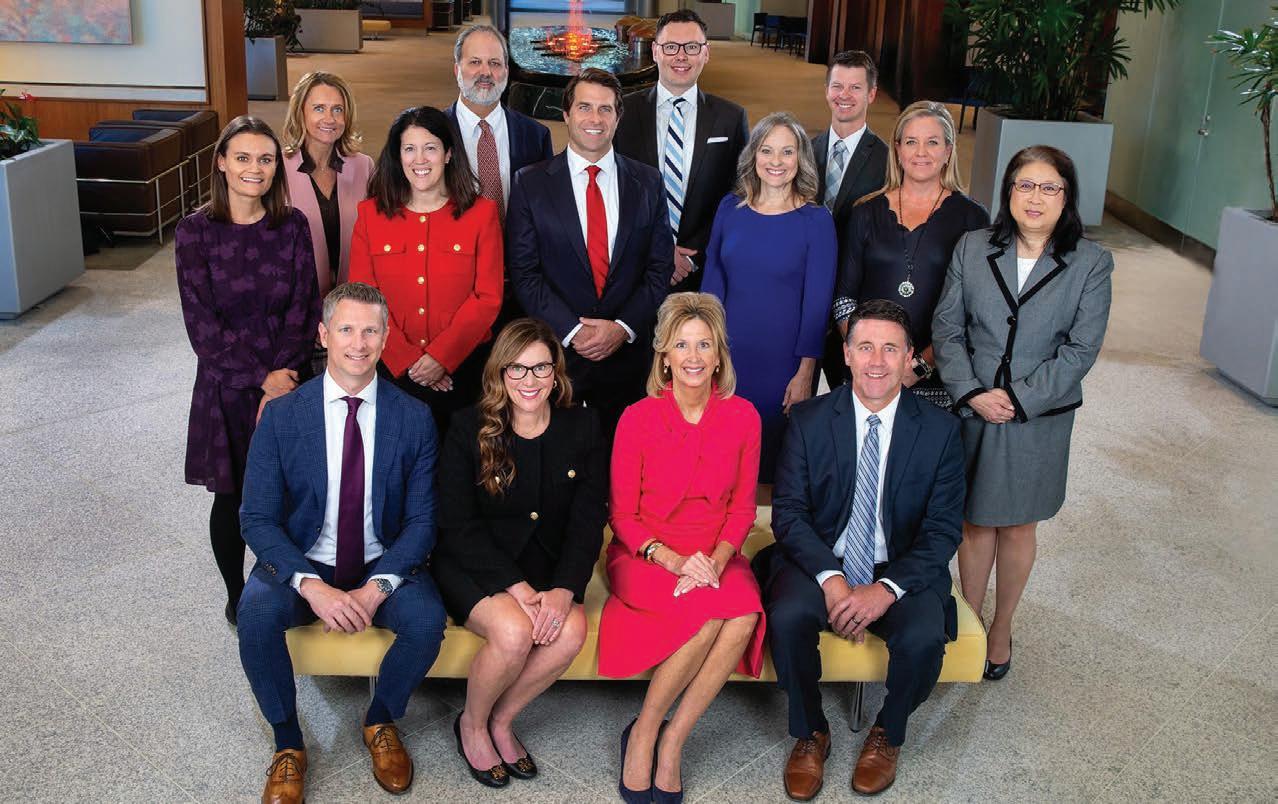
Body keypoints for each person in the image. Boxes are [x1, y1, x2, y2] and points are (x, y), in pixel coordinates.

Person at [237, 282, 447, 804]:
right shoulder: (282, 416)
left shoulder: (414, 417)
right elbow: (257, 518)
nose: (359, 343)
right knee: (255, 615)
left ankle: (380, 719)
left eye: (371, 330)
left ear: (386, 337)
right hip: (305, 558)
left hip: (380, 558)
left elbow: (423, 521)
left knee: (426, 622)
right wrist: (312, 586)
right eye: (346, 329)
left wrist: (377, 589)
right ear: (324, 335)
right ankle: (288, 743)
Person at [757, 298, 965, 798]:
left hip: (899, 564)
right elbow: (789, 514)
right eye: (865, 347)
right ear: (846, 354)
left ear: (910, 357)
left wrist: (886, 588)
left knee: (923, 636)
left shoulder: (941, 430)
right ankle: (810, 731)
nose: (877, 361)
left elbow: (942, 531)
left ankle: (888, 732)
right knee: (788, 616)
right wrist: (832, 580)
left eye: (890, 349)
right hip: (822, 558)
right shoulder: (808, 419)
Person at [932, 145, 1113, 681]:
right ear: (1008, 191)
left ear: (1067, 197)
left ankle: (1002, 626)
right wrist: (971, 391)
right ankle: (969, 621)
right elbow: (947, 327)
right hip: (973, 407)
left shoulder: (1091, 263)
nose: (1035, 198)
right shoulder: (973, 247)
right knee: (973, 521)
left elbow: (1080, 350)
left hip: (1039, 415)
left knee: (1016, 525)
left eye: (1049, 187)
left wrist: (1019, 398)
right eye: (1025, 185)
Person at [602, 292, 765, 804]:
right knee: (707, 616)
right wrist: (674, 561)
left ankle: (672, 739)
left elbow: (742, 510)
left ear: (719, 357)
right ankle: (644, 731)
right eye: (681, 345)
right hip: (646, 553)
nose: (693, 357)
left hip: (716, 552)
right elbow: (622, 516)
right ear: (665, 357)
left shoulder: (744, 417)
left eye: (704, 345)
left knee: (742, 614)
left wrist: (714, 563)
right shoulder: (636, 418)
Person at [433, 318, 607, 788]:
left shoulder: (583, 426)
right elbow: (457, 524)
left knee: (571, 631)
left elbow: (588, 521)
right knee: (513, 634)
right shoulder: (467, 427)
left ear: (556, 372)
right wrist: (516, 587)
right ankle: (471, 724)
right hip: (476, 563)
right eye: (517, 369)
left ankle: (502, 720)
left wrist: (565, 588)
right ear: (500, 373)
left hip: (547, 565)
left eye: (540, 368)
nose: (529, 381)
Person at [175, 115, 320, 627]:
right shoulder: (194, 232)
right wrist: (262, 378)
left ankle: (293, 586)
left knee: (295, 493)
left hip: (290, 380)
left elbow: (305, 306)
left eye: (265, 158)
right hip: (228, 384)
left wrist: (282, 378)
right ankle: (238, 596)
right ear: (221, 162)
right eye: (242, 157)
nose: (254, 168)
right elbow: (202, 326)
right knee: (233, 496)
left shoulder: (293, 225)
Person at [507, 68, 675, 435]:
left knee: (626, 456)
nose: (594, 119)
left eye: (605, 109)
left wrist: (622, 327)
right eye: (584, 107)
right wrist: (573, 331)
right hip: (557, 356)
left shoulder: (648, 182)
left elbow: (659, 268)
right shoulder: (530, 183)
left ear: (618, 117)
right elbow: (525, 273)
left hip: (628, 359)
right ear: (566, 114)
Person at [348, 105, 503, 434]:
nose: (419, 159)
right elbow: (363, 299)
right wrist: (408, 361)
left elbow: (487, 297)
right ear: (397, 156)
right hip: (392, 371)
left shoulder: (481, 213)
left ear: (448, 154)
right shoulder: (371, 215)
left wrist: (442, 357)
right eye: (409, 149)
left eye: (430, 148)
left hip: (464, 371)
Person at [701, 112, 836, 483]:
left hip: (783, 364)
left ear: (800, 159)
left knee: (775, 466)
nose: (776, 161)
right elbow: (711, 287)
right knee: (722, 461)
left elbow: (817, 304)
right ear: (753, 155)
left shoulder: (816, 221)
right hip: (728, 356)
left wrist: (805, 373)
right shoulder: (729, 208)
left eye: (787, 152)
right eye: (767, 150)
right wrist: (706, 355)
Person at [832, 101, 990, 397]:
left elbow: (973, 308)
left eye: (932, 142)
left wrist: (919, 367)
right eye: (911, 142)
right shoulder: (865, 211)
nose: (921, 152)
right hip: (868, 373)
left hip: (935, 376)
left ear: (948, 150)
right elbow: (844, 299)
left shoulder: (973, 218)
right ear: (897, 149)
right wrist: (865, 355)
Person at [613, 9, 749, 293]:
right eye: (671, 47)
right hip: (634, 266)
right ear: (655, 51)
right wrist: (657, 249)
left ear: (706, 53)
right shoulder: (622, 112)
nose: (681, 56)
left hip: (702, 268)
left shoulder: (732, 118)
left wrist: (691, 254)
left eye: (692, 47)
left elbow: (739, 194)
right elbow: (612, 190)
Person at [445, 24, 555, 328]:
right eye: (475, 62)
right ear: (457, 69)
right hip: (455, 289)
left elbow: (545, 216)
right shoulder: (431, 133)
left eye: (494, 63)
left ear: (506, 71)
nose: (486, 72)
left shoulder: (535, 136)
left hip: (519, 288)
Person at [814, 50, 890, 394]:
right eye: (837, 86)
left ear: (871, 94)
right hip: (807, 294)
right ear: (826, 90)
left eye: (855, 88)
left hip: (856, 296)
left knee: (852, 394)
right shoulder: (804, 150)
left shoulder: (888, 161)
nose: (844, 95)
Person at [281, 71, 376, 301]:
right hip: (295, 298)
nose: (330, 119)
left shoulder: (363, 166)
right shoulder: (277, 169)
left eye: (337, 109)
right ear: (300, 113)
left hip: (352, 298)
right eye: (319, 108)